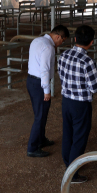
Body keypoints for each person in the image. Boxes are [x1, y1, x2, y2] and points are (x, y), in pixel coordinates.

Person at [57, 25, 97, 184]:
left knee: (68, 132)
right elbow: (95, 87)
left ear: (75, 39)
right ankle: (72, 173)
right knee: (80, 137)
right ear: (91, 42)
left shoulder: (63, 55)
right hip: (81, 104)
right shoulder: (87, 61)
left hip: (66, 101)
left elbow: (61, 75)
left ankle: (67, 161)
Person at [26, 25, 70, 157]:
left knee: (40, 114)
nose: (61, 43)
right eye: (62, 41)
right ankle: (32, 148)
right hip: (40, 83)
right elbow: (44, 70)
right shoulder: (49, 47)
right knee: (40, 116)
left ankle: (41, 139)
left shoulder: (37, 40)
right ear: (58, 36)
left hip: (31, 80)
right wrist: (47, 90)